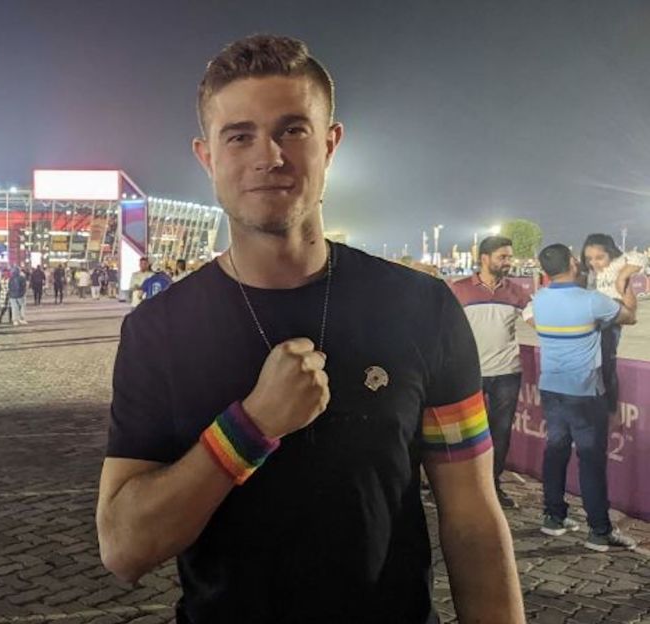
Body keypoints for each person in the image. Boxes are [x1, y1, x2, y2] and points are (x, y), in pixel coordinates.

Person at [96, 35, 522, 622]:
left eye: (292, 129)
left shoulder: (422, 308)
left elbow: (473, 520)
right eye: (239, 135)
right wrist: (251, 427)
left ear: (330, 142)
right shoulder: (157, 331)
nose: (268, 155)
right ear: (207, 156)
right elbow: (124, 547)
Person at [527, 243, 638, 552]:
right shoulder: (591, 301)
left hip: (552, 388)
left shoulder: (540, 300)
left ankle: (553, 517)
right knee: (590, 461)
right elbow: (629, 316)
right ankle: (599, 532)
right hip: (585, 393)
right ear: (573, 263)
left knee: (556, 451)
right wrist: (625, 281)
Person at [449, 236, 531, 509]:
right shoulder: (458, 290)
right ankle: (460, 487)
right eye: (502, 257)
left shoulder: (518, 292)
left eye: (509, 257)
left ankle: (493, 486)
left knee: (500, 433)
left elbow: (540, 323)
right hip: (468, 373)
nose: (508, 262)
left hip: (507, 373)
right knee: (465, 433)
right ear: (484, 258)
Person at [580, 233, 646, 415]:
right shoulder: (588, 274)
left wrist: (622, 277)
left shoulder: (617, 267)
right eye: (589, 259)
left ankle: (609, 409)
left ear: (611, 254)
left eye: (600, 257)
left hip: (610, 320)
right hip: (592, 322)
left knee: (606, 364)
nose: (594, 263)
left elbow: (639, 257)